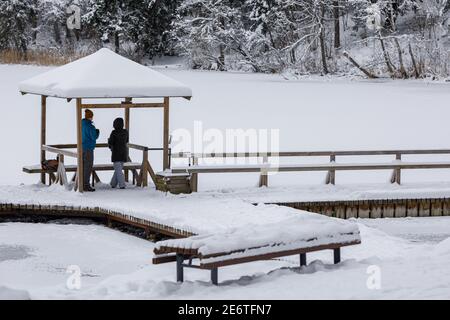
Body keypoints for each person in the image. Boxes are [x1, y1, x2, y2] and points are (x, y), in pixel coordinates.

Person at [108, 117, 129, 189]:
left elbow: (111, 142)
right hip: (123, 153)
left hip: (116, 153)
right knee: (118, 169)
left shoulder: (114, 132)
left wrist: (109, 142)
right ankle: (113, 184)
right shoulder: (125, 132)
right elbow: (126, 141)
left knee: (118, 170)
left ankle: (122, 185)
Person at [81, 109, 99, 192]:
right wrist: (97, 132)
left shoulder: (81, 124)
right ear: (90, 117)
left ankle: (81, 183)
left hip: (82, 147)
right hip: (88, 148)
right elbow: (94, 137)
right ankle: (86, 185)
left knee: (83, 166)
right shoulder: (90, 126)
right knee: (88, 167)